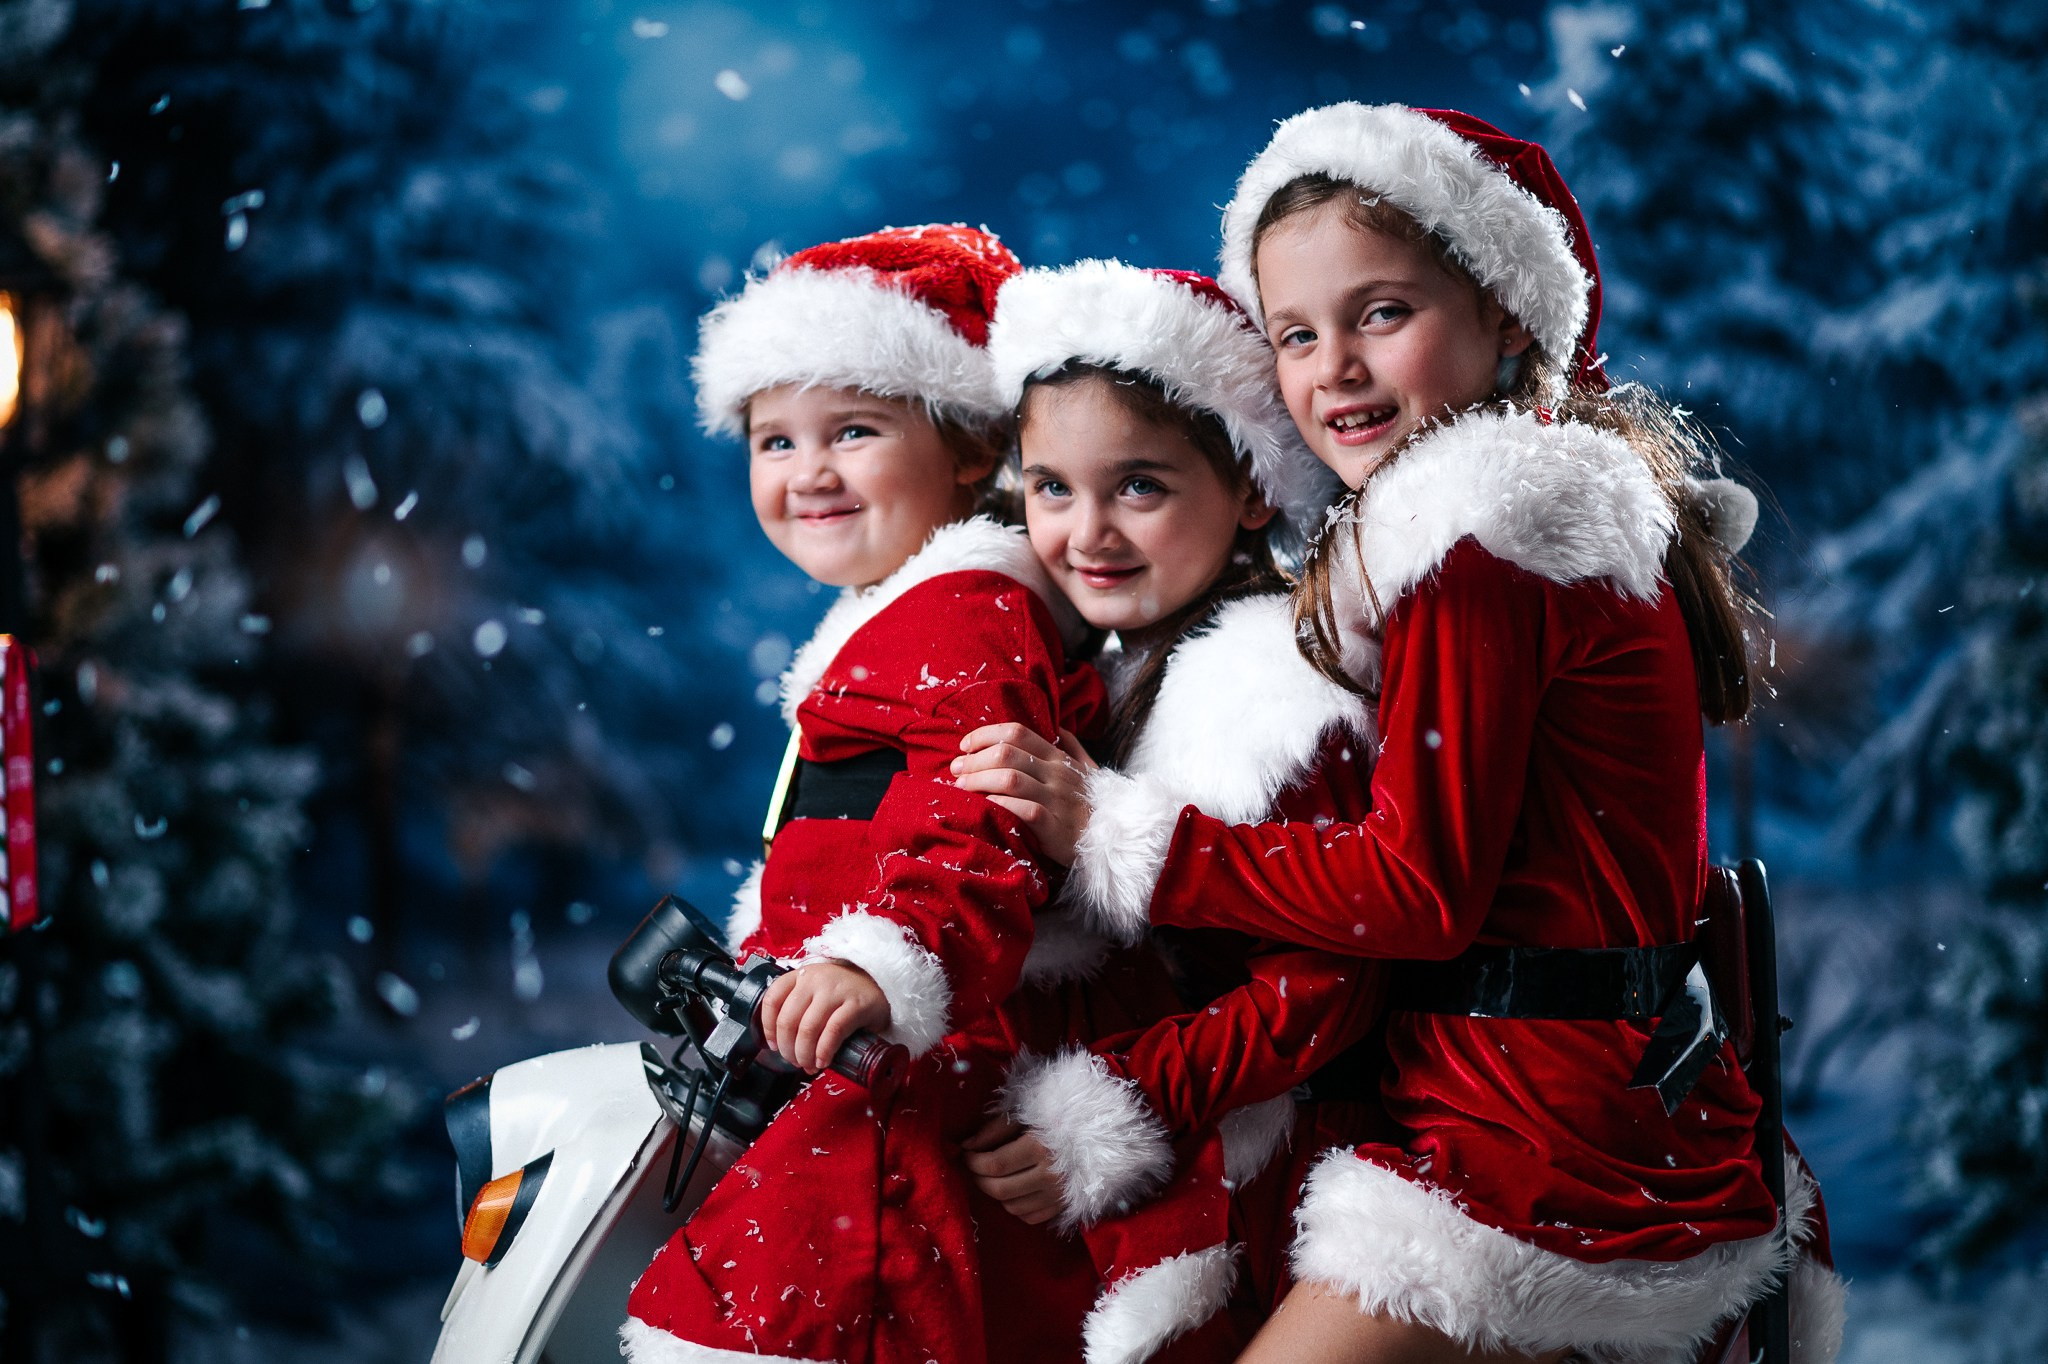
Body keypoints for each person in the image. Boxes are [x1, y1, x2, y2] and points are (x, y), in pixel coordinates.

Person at [961, 104, 1847, 1364]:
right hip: (1579, 1093)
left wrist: (1119, 831)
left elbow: (1415, 890)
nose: (1333, 367)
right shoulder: (1529, 520)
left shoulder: (1487, 538)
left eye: (1381, 313)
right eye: (1294, 334)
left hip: (1532, 1143)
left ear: (1504, 315)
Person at [620, 223, 1118, 1364]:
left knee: (813, 1321)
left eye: (853, 429)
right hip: (840, 1063)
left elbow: (977, 824)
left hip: (887, 1088)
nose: (809, 471)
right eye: (774, 438)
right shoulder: (906, 617)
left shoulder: (957, 618)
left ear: (968, 448)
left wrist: (876, 961)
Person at [949, 258, 1395, 1364]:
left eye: (1137, 486)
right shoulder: (1092, 674)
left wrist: (1115, 1099)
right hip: (1143, 1184)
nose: (1085, 531)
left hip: (1263, 1188)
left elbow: (1326, 984)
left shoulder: (1279, 696)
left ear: (1249, 487)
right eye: (1050, 487)